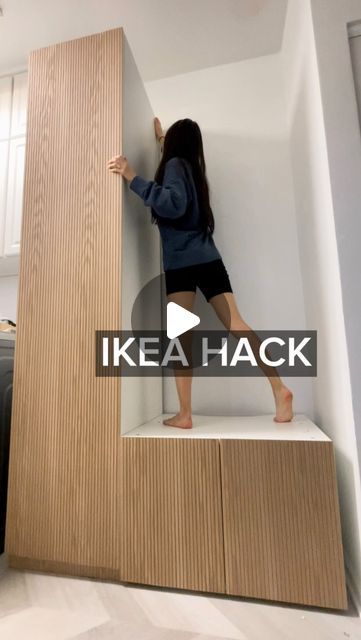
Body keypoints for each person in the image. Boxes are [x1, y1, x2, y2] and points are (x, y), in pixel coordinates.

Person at [107, 117, 293, 428]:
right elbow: (180, 193)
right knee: (236, 322)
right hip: (207, 258)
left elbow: (173, 204)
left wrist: (132, 176)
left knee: (181, 336)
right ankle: (279, 388)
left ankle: (185, 414)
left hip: (182, 262)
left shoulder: (175, 165)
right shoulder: (191, 169)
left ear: (176, 144)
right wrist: (161, 137)